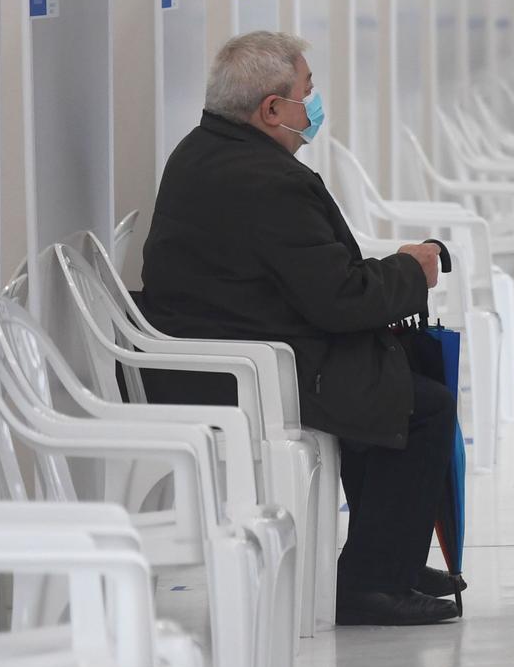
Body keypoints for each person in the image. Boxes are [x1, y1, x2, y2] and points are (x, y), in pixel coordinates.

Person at [136, 32, 460, 626]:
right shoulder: (268, 180)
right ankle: (371, 584)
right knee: (421, 405)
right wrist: (411, 271)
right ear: (271, 110)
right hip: (240, 367)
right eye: (307, 92)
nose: (314, 104)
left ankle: (389, 558)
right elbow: (338, 298)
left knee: (387, 374)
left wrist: (391, 276)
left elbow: (311, 277)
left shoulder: (205, 149)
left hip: (222, 342)